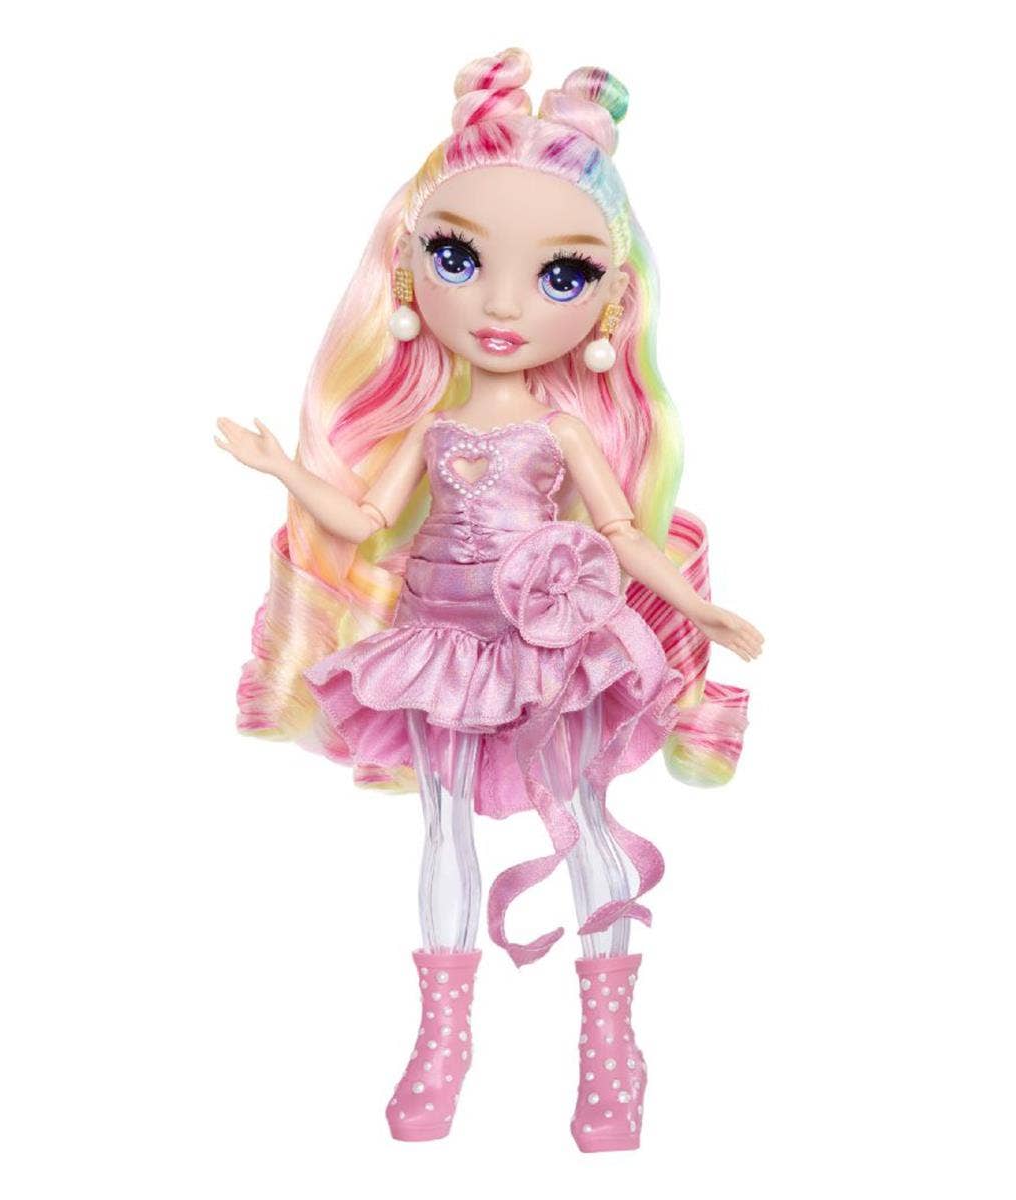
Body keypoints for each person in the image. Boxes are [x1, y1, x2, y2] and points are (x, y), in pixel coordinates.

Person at [214, 47, 763, 1152]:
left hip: (553, 642)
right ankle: (442, 1037)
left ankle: (611, 1042)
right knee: (442, 829)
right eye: (460, 258)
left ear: (611, 301)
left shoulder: (563, 431)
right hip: (439, 642)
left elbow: (620, 532)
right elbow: (365, 519)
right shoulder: (431, 428)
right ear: (407, 273)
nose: (503, 305)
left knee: (587, 817)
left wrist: (697, 610)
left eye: (560, 276)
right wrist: (282, 470)